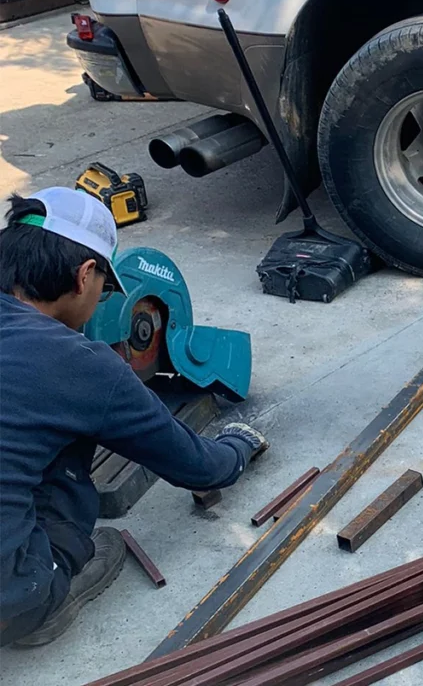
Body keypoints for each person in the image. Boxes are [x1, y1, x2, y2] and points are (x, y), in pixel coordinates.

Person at [0, 188, 267, 647]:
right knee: (68, 446)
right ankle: (43, 591)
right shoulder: (77, 363)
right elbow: (199, 467)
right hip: (8, 599)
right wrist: (239, 447)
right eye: (105, 294)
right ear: (86, 275)